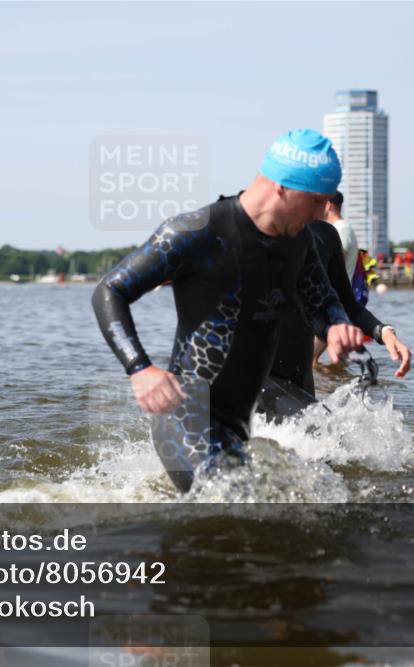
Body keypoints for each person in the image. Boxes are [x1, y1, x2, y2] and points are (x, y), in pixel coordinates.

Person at [93, 129, 363, 492]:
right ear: (282, 186)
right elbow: (110, 290)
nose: (320, 213)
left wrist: (336, 325)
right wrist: (139, 368)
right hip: (188, 414)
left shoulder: (297, 241)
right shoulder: (197, 232)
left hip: (237, 423)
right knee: (227, 500)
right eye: (315, 201)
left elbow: (322, 300)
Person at [264, 205, 412, 415]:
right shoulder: (253, 231)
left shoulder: (325, 234)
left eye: (324, 199)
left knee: (318, 430)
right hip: (258, 372)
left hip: (299, 369)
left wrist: (383, 332)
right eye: (315, 199)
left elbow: (347, 303)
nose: (320, 209)